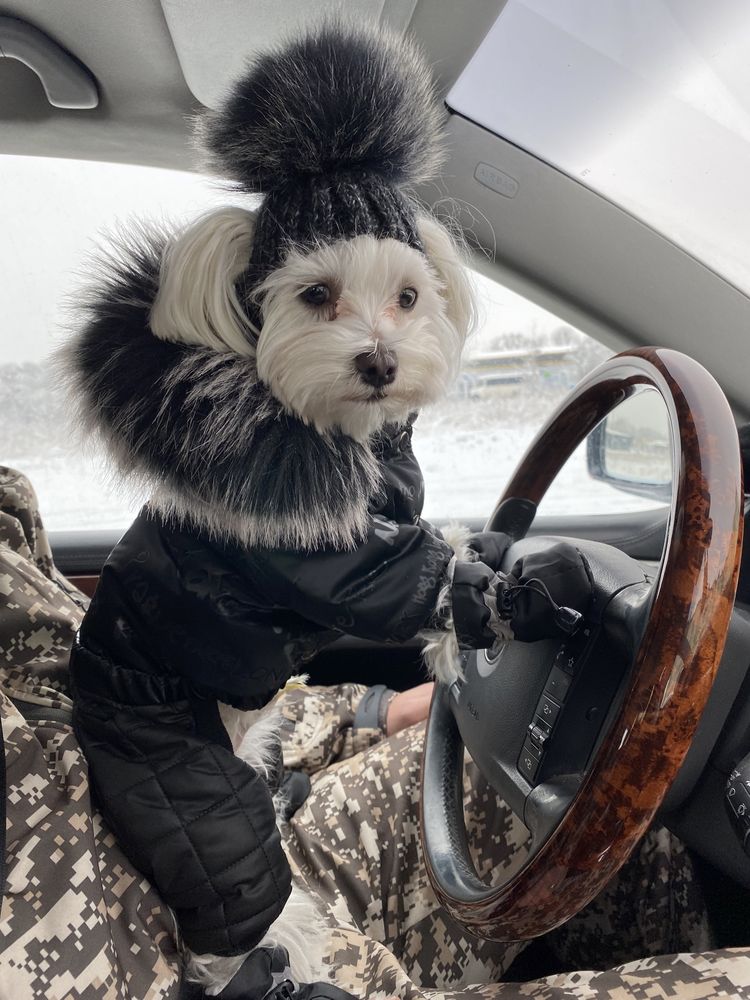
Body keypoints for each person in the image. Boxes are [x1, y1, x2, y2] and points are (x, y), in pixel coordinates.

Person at [4, 465, 749, 1000]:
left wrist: (369, 713)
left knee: (606, 772)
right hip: (194, 963)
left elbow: (90, 700)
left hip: (238, 847)